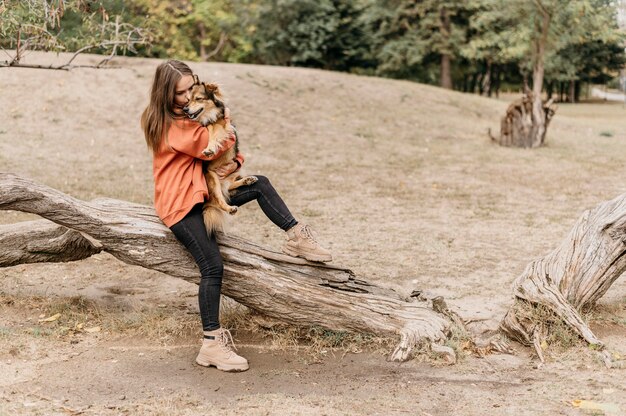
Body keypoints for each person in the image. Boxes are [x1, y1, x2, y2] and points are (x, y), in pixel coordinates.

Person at [140, 60, 332, 372]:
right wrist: (226, 120)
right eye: (180, 93)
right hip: (181, 204)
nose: (188, 97)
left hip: (204, 190)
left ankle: (298, 237)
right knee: (212, 266)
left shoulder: (189, 115)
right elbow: (212, 146)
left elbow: (229, 147)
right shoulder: (169, 124)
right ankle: (211, 344)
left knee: (261, 184)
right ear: (165, 93)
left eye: (192, 89)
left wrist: (235, 154)